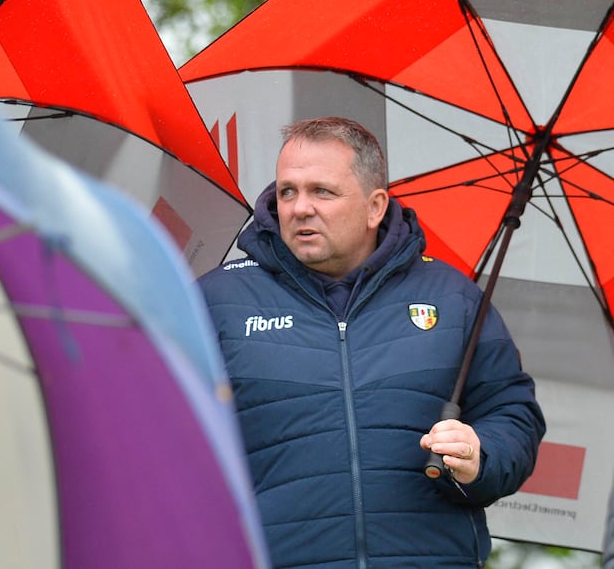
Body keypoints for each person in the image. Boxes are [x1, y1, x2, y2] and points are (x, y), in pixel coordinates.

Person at [197, 117, 546, 568]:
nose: (300, 207)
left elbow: (513, 413)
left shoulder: (453, 298)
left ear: (375, 206)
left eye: (322, 191)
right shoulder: (217, 302)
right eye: (287, 191)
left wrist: (481, 454)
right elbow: (162, 445)